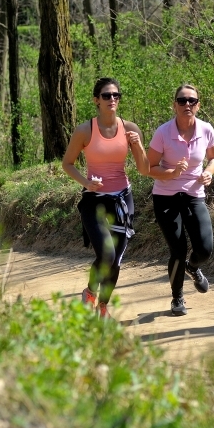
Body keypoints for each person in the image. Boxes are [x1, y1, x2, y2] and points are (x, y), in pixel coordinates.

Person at [62, 77, 149, 319]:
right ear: (96, 100)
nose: (112, 99)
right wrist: (86, 183)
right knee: (106, 255)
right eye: (107, 96)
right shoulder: (84, 130)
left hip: (122, 200)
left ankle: (102, 308)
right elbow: (67, 164)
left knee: (116, 260)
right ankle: (89, 292)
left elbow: (144, 169)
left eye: (116, 95)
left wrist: (139, 146)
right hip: (94, 201)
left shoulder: (130, 129)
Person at [142, 84, 214, 316]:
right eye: (182, 101)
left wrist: (209, 172)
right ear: (174, 105)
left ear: (198, 105)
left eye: (192, 101)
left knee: (205, 249)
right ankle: (177, 298)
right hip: (166, 197)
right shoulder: (163, 133)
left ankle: (192, 267)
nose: (187, 105)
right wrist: (172, 173)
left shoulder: (206, 129)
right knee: (177, 249)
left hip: (194, 195)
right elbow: (148, 167)